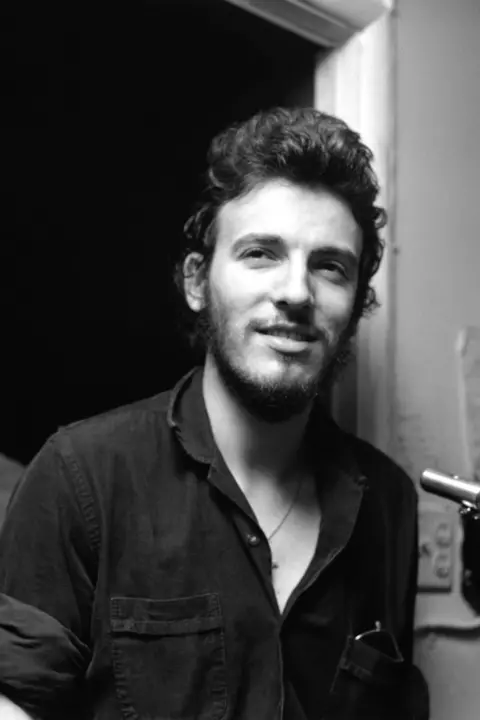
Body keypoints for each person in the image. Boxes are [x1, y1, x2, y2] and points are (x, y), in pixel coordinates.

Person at [0, 107, 429, 719]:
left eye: (330, 267)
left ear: (356, 304)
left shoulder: (390, 503)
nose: (297, 293)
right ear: (198, 281)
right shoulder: (81, 477)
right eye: (261, 254)